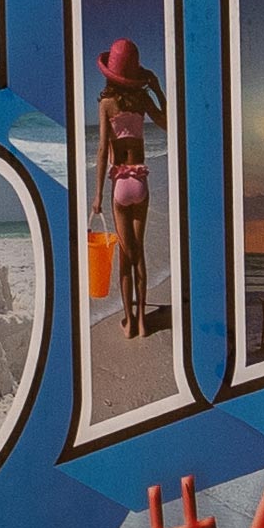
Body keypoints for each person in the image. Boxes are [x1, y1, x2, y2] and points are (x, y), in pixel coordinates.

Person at [91, 34, 169, 338]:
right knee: (140, 254)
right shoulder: (142, 100)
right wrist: (158, 89)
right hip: (141, 182)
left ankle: (128, 320)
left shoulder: (107, 104)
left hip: (120, 184)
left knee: (126, 255)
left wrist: (98, 195)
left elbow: (101, 150)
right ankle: (142, 321)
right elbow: (167, 123)